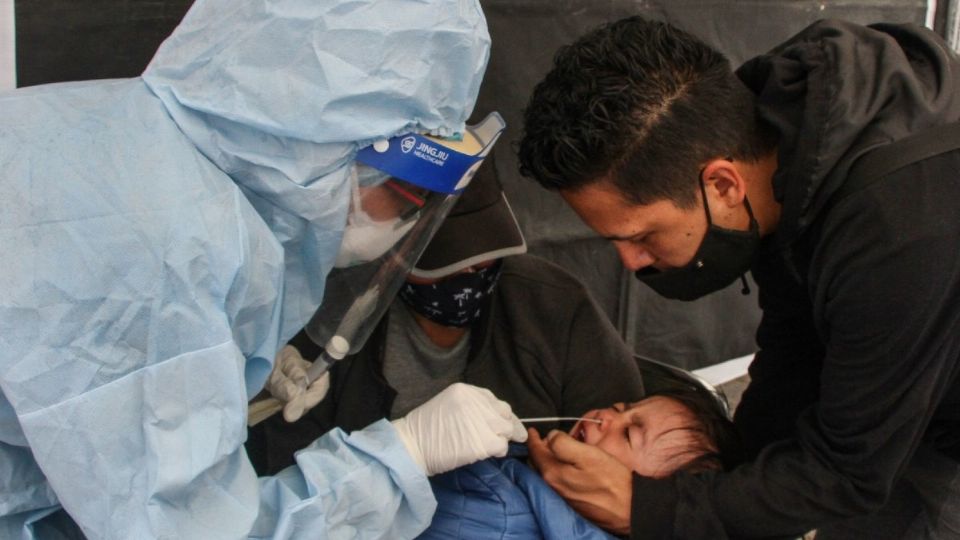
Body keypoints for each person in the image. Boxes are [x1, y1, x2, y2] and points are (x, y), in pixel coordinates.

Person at [0, 1, 527, 538]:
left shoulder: (96, 127)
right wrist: (401, 460)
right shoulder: (167, 258)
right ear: (323, 146)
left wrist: (217, 354)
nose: (401, 217)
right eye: (406, 190)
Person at [517, 16, 960, 539]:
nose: (632, 262)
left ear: (723, 185)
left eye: (640, 236)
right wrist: (729, 465)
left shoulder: (900, 229)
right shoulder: (774, 124)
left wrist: (648, 509)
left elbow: (848, 474)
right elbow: (793, 340)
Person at [245, 165, 647, 474]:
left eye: (484, 257)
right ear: (391, 254)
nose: (471, 274)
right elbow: (287, 495)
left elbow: (636, 444)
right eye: (449, 266)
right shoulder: (330, 317)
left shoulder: (552, 308)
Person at [421, 385, 744, 539]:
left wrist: (409, 447)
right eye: (620, 408)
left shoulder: (501, 509)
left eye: (629, 435)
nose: (606, 418)